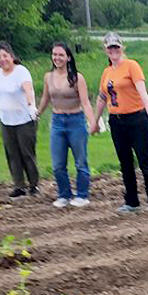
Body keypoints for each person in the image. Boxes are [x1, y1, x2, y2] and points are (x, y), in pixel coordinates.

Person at [91, 32, 148, 212]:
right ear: (105, 50)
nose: (113, 50)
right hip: (116, 120)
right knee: (125, 161)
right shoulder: (107, 72)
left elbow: (142, 91)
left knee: (143, 158)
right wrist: (94, 120)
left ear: (122, 48)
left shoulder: (131, 66)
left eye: (116, 46)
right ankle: (131, 201)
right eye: (110, 47)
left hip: (136, 119)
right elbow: (101, 97)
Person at [0, 42, 39, 198]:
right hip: (6, 121)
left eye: (5, 56)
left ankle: (33, 185)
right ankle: (19, 186)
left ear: (12, 56)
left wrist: (31, 106)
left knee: (27, 154)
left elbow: (28, 89)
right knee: (12, 154)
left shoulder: (21, 71)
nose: (2, 59)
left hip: (24, 120)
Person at [38, 41, 95, 208]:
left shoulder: (77, 77)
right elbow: (45, 99)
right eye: (55, 54)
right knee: (57, 164)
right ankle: (64, 194)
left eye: (61, 55)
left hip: (76, 121)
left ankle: (82, 195)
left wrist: (93, 123)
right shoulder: (48, 77)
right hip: (57, 122)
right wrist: (36, 114)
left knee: (80, 162)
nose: (57, 58)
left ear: (68, 57)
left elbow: (85, 103)